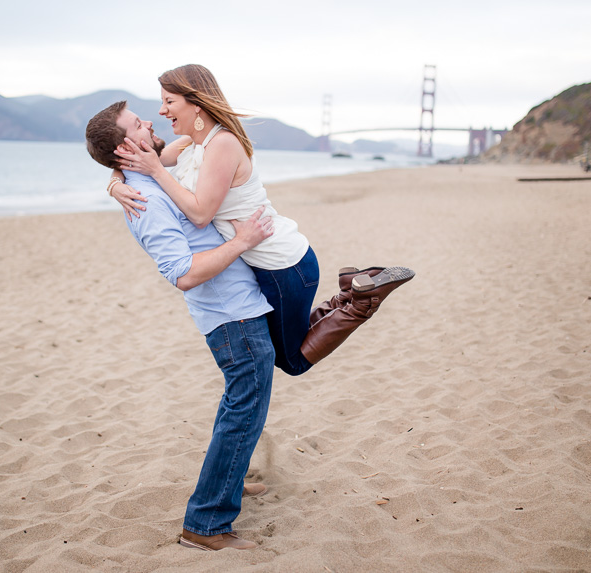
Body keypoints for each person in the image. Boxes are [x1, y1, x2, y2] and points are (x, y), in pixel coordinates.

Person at [107, 64, 414, 374]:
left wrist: (156, 172)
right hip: (271, 262)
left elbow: (199, 214)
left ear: (195, 103)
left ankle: (361, 301)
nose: (162, 110)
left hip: (282, 264)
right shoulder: (191, 143)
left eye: (169, 101)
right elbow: (138, 159)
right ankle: (351, 290)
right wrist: (115, 184)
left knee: (291, 361)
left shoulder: (222, 144)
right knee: (288, 343)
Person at [86, 100, 276, 551]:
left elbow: (194, 138)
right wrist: (243, 242)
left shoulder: (146, 179)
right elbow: (182, 273)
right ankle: (205, 525)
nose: (149, 121)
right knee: (244, 409)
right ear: (125, 147)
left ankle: (227, 481)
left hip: (235, 308)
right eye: (138, 124)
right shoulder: (146, 199)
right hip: (230, 316)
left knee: (239, 405)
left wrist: (112, 181)